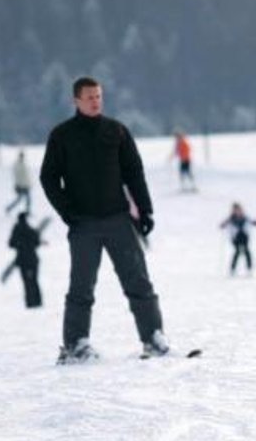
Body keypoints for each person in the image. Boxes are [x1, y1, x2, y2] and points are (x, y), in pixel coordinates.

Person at [40, 76, 170, 364]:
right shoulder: (62, 135)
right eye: (89, 97)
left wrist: (145, 211)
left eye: (98, 96)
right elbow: (48, 178)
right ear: (76, 100)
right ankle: (76, 344)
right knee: (82, 287)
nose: (95, 101)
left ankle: (153, 337)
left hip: (119, 221)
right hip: (83, 224)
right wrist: (67, 211)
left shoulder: (116, 131)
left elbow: (134, 173)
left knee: (139, 281)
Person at [8, 212, 44, 308]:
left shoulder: (16, 230)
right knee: (35, 281)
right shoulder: (30, 230)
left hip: (23, 261)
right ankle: (38, 302)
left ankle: (30, 303)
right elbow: (37, 243)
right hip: (33, 260)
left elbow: (11, 244)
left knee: (27, 283)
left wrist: (20, 245)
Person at [219, 202, 256, 276]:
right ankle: (233, 269)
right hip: (235, 238)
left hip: (244, 236)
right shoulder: (231, 219)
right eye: (235, 210)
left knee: (246, 251)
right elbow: (224, 224)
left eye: (238, 210)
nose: (237, 211)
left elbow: (252, 222)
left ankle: (249, 269)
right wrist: (223, 225)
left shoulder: (245, 217)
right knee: (237, 251)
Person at [5, 150, 32, 215]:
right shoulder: (18, 165)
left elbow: (26, 176)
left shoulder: (23, 164)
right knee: (21, 199)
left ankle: (27, 211)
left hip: (25, 185)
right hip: (21, 186)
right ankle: (9, 208)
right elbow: (19, 176)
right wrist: (20, 185)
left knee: (26, 199)